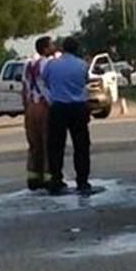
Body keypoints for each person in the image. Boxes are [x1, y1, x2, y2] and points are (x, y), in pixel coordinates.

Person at [44, 37, 93, 195]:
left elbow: (46, 81)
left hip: (58, 107)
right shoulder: (82, 65)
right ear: (77, 49)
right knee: (81, 145)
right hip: (78, 107)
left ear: (63, 48)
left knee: (56, 146)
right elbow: (85, 81)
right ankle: (82, 181)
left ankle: (56, 179)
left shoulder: (52, 65)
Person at [21, 36, 56, 190]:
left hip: (30, 106)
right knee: (48, 142)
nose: (54, 47)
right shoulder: (48, 64)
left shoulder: (28, 64)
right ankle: (49, 177)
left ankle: (34, 177)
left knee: (34, 144)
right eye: (51, 45)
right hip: (44, 105)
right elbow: (51, 85)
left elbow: (24, 88)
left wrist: (26, 107)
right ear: (45, 48)